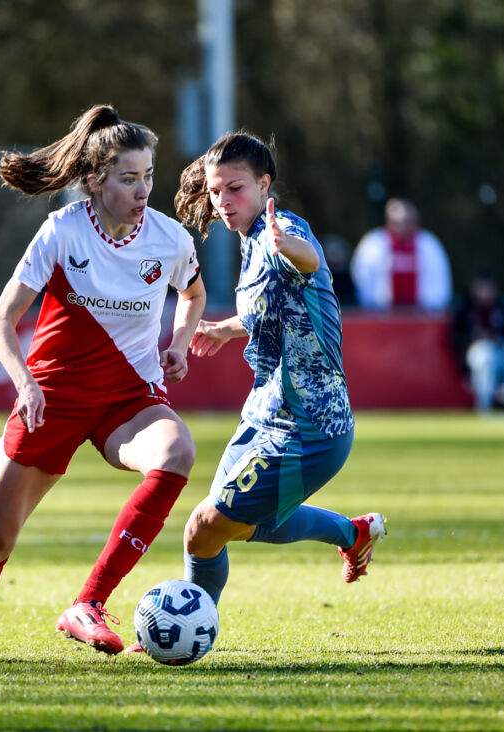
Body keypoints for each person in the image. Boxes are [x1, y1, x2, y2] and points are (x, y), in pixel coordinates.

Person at [0, 105, 206, 663]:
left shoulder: (170, 239)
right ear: (95, 181)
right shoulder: (61, 231)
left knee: (177, 451)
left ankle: (88, 603)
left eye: (148, 177)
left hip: (128, 399)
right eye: (128, 178)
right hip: (52, 400)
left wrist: (179, 343)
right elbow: (1, 320)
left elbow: (192, 293)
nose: (142, 190)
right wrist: (25, 384)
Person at [149, 131, 384, 631]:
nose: (223, 202)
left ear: (264, 184)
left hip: (311, 427)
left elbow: (309, 262)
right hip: (264, 413)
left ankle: (187, 629)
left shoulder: (282, 229)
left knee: (205, 528)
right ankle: (352, 533)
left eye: (234, 189)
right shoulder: (249, 240)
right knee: (221, 528)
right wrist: (227, 329)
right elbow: (276, 308)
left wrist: (290, 246)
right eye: (215, 192)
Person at [350, 197, 452, 311]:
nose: (403, 227)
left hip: (422, 315)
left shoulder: (429, 244)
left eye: (408, 222)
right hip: (381, 315)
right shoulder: (373, 243)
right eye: (398, 222)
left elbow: (440, 281)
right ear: (388, 221)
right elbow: (362, 277)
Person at [449, 273, 504, 411]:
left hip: (499, 352)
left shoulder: (500, 307)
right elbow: (454, 338)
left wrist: (496, 338)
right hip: (475, 355)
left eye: (489, 288)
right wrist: (473, 338)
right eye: (482, 288)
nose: (486, 292)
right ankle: (484, 404)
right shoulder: (465, 308)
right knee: (485, 353)